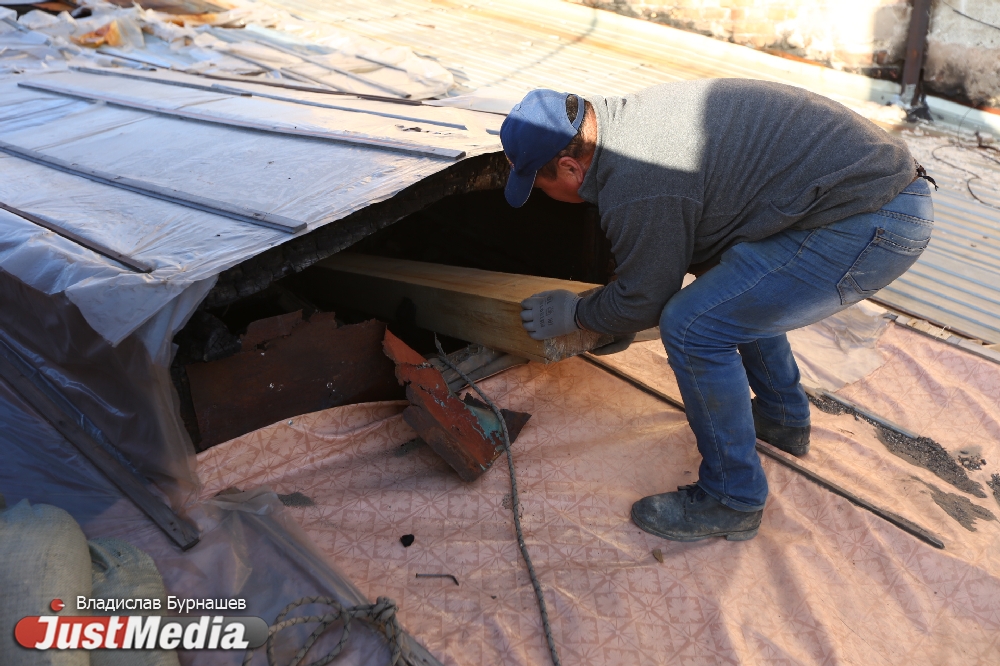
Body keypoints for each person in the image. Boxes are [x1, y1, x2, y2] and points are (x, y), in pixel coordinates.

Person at [500, 80, 934, 542]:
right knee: (729, 294)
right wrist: (623, 308)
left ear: (569, 167)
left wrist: (584, 314)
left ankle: (732, 498)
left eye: (540, 186)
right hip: (872, 200)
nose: (543, 195)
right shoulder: (629, 120)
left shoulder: (638, 177)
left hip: (871, 223)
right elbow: (680, 264)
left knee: (692, 327)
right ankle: (783, 420)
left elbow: (646, 298)